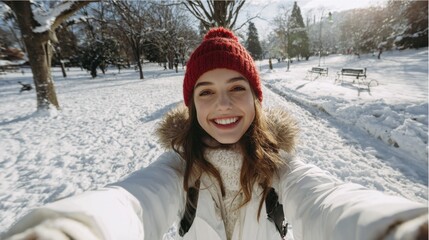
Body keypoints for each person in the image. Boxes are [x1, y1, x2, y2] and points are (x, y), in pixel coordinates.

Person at [2, 27, 428, 240]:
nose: (222, 105)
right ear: (191, 103)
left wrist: (395, 227)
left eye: (236, 89)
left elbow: (326, 199)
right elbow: (133, 201)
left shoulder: (280, 164)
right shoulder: (177, 166)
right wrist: (66, 230)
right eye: (205, 92)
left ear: (256, 99)